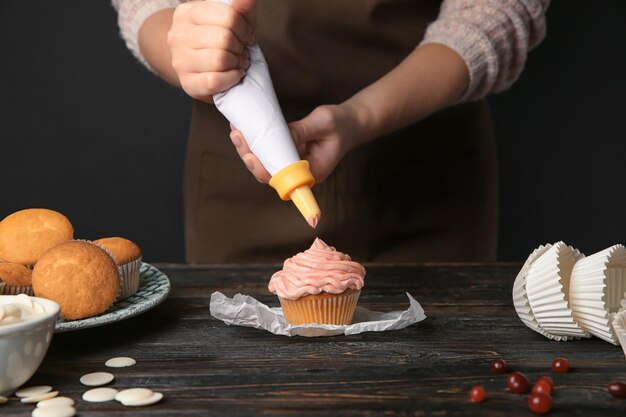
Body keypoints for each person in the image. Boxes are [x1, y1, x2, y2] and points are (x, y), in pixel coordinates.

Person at [112, 0, 549, 263]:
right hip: (237, 195)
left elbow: (496, 11)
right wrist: (189, 52)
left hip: (428, 181)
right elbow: (145, 5)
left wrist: (360, 116)